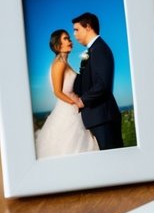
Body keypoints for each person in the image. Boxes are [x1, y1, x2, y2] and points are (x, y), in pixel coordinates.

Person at [34, 28, 99, 159]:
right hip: (68, 110)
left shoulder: (64, 62)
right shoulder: (59, 63)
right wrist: (75, 103)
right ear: (58, 45)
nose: (70, 41)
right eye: (65, 38)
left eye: (69, 38)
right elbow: (57, 92)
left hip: (74, 108)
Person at [71, 11, 123, 150]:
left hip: (103, 118)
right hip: (97, 119)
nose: (74, 34)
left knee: (114, 162)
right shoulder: (91, 51)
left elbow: (103, 84)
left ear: (88, 27)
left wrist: (82, 101)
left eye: (76, 30)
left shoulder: (99, 49)